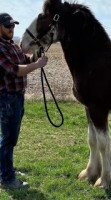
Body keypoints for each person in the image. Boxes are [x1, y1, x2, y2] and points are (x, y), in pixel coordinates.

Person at [0, 13, 48, 188]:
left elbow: (24, 60)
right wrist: (37, 65)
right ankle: (7, 178)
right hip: (7, 98)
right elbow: (15, 70)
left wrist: (36, 57)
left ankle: (6, 169)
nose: (12, 29)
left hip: (18, 97)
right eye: (7, 26)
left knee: (10, 138)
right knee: (8, 138)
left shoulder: (12, 45)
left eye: (13, 26)